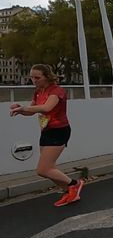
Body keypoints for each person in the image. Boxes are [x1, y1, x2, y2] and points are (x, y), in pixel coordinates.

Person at [9, 64, 83, 207]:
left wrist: (25, 108)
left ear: (47, 76)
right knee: (49, 168)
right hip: (46, 131)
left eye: (37, 77)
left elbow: (46, 108)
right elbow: (31, 111)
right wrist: (20, 110)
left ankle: (75, 184)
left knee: (43, 170)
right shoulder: (38, 91)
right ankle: (69, 192)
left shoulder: (57, 91)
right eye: (31, 77)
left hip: (59, 131)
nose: (34, 80)